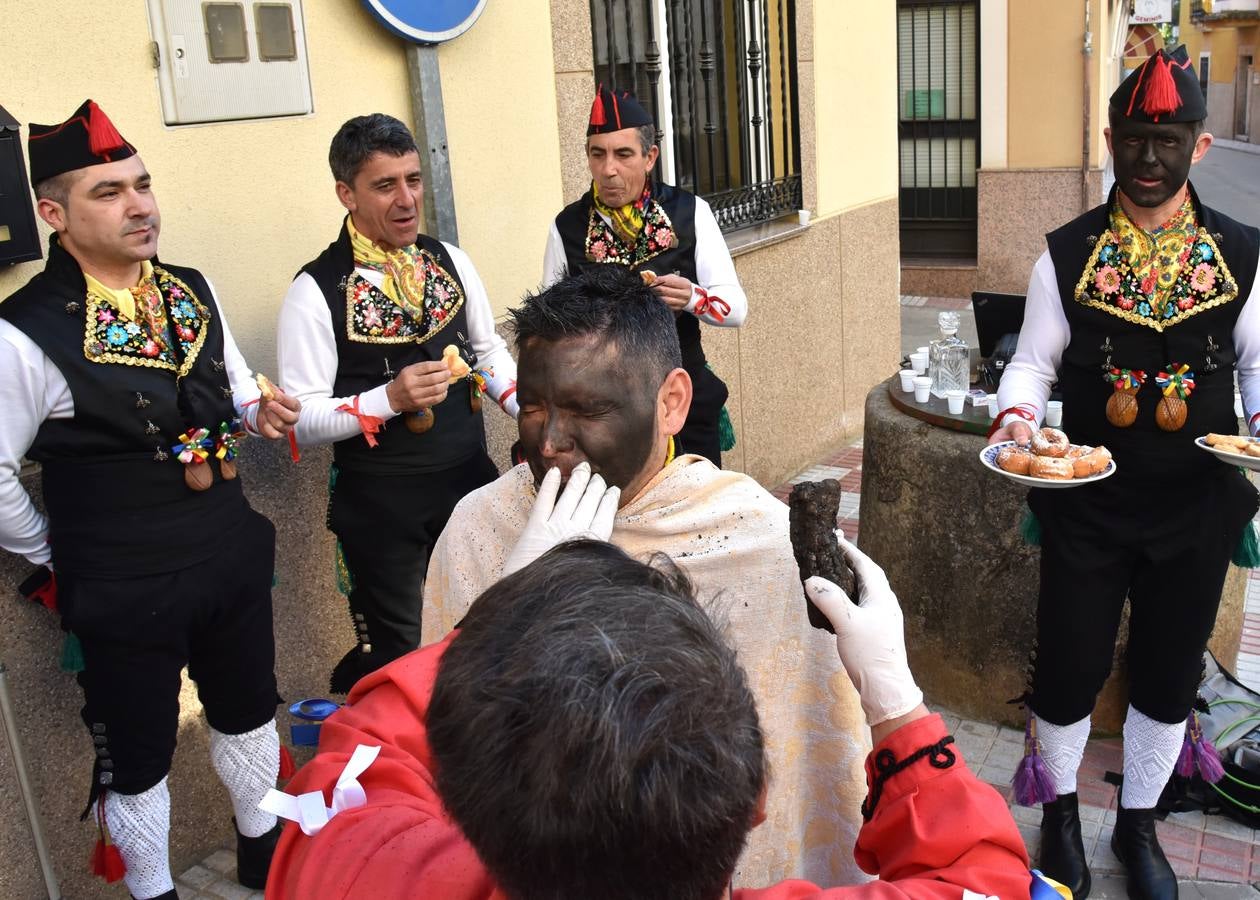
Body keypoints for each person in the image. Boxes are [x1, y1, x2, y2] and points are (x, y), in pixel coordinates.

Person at [265, 535, 1054, 899]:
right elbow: (988, 879)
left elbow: (359, 755)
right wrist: (893, 697)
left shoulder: (369, 872)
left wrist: (497, 626)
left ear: (463, 807)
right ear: (757, 806)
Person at [419, 266, 868, 888]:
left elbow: (803, 755)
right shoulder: (480, 528)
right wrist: (516, 597)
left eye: (588, 409)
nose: (549, 442)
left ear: (671, 402)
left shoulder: (760, 540)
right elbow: (437, 735)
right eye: (533, 407)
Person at [0, 100, 301, 899]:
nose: (141, 206)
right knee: (137, 755)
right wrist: (54, 554)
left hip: (226, 548)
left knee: (246, 711)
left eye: (143, 184)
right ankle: (152, 892)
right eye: (110, 192)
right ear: (52, 214)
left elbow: (235, 386)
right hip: (124, 580)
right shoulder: (23, 331)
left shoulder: (190, 289)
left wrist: (255, 410)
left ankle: (261, 852)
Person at [990, 46, 1260, 900]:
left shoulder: (1243, 255)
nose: (1149, 160)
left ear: (1199, 147)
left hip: (1199, 505)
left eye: (1169, 141)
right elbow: (1032, 365)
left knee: (1171, 667)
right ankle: (1060, 813)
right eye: (1135, 140)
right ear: (1110, 138)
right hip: (1089, 503)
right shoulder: (1065, 255)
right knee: (1069, 662)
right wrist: (1016, 416)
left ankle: (1139, 825)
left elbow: (1257, 372)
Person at [277, 114, 519, 693]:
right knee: (405, 657)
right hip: (383, 510)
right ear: (347, 193)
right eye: (385, 185)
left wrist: (529, 410)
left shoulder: (451, 260)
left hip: (470, 483)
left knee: (492, 632)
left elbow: (486, 354)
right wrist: (388, 398)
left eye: (413, 179)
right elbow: (300, 421)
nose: (407, 199)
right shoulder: (315, 289)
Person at [542, 86, 746, 467]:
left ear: (650, 157)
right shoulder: (567, 227)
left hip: (682, 400)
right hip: (603, 412)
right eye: (597, 154)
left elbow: (736, 309)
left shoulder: (689, 212)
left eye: (623, 154)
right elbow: (549, 331)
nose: (609, 169)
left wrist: (692, 298)